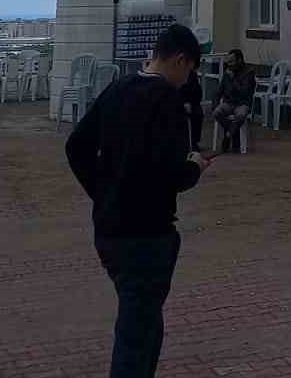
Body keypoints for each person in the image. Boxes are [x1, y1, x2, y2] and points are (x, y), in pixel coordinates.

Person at [65, 23, 211, 378]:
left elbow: (76, 146)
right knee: (136, 334)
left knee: (145, 325)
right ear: (180, 60)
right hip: (146, 234)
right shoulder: (166, 101)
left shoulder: (118, 87)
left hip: (110, 228)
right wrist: (194, 166)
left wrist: (104, 192)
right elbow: (170, 174)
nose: (187, 79)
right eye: (189, 69)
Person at [213, 48, 256, 152]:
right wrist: (215, 104)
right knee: (217, 113)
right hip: (229, 103)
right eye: (228, 62)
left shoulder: (249, 72)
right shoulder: (227, 72)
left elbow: (244, 92)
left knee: (241, 115)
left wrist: (233, 79)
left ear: (239, 60)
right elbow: (219, 90)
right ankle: (231, 132)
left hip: (242, 103)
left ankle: (228, 136)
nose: (229, 64)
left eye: (232, 61)